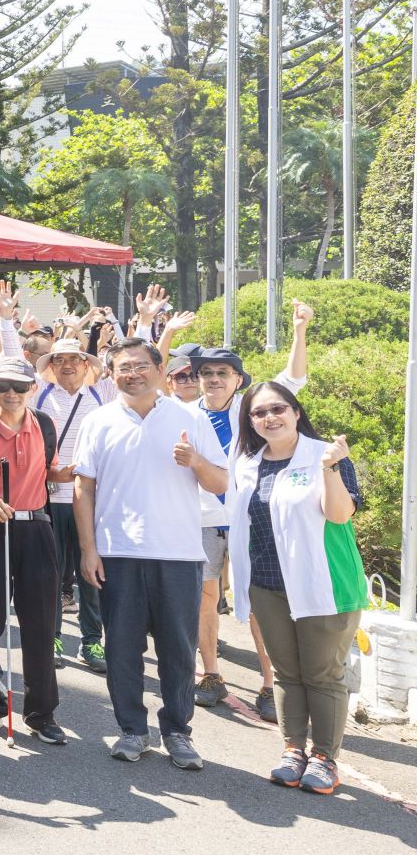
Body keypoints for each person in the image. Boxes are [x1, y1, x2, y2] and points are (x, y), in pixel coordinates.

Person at [74, 338, 228, 771]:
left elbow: (219, 483)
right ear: (111, 373)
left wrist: (195, 461)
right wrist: (89, 550)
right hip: (118, 552)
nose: (133, 373)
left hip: (178, 553)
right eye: (124, 367)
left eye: (141, 365)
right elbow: (84, 488)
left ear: (160, 370)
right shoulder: (99, 421)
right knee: (121, 647)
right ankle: (132, 729)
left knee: (178, 649)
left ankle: (177, 731)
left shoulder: (189, 419)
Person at [228, 382, 367, 794]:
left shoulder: (324, 453)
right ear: (250, 421)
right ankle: (293, 749)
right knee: (287, 673)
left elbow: (340, 515)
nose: (270, 418)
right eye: (259, 413)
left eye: (278, 408)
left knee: (322, 674)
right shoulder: (247, 464)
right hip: (268, 585)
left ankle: (325, 757)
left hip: (325, 583)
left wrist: (328, 468)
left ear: (295, 411)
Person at [190, 300, 311, 717]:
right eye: (205, 373)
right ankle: (210, 674)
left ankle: (269, 683)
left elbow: (293, 380)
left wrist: (299, 330)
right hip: (204, 521)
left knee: (259, 603)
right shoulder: (185, 414)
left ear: (237, 379)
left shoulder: (254, 408)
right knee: (206, 601)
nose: (212, 380)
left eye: (221, 373)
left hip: (251, 522)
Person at [0, 357, 68, 745]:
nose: (11, 393)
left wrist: (68, 473)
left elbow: (48, 470)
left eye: (19, 386)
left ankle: (41, 713)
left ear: (32, 389)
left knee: (40, 623)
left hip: (36, 528)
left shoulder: (46, 425)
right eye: (3, 385)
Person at [33, 337, 114, 673]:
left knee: (91, 574)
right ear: (50, 367)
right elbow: (10, 356)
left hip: (91, 500)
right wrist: (6, 319)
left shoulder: (101, 395)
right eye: (59, 359)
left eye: (74, 359)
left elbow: (145, 369)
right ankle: (52, 637)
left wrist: (152, 323)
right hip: (49, 498)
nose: (67, 365)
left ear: (86, 365)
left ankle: (91, 640)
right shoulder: (39, 393)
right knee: (50, 574)